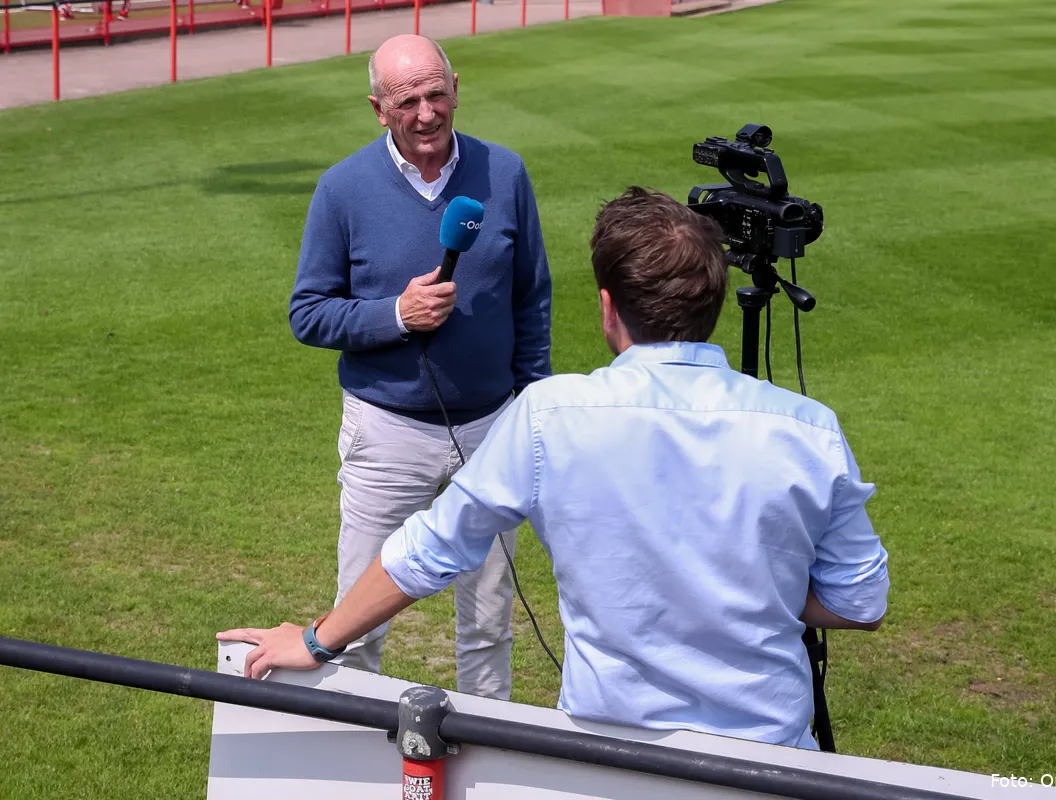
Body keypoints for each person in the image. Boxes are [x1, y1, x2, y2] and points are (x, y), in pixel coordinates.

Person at [222, 188, 888, 750]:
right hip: (771, 756)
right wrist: (751, 586)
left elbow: (429, 549)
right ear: (712, 304)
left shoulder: (551, 415)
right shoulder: (809, 427)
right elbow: (859, 602)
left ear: (607, 309)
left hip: (610, 756)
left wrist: (317, 641)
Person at [284, 34, 553, 700]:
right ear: (379, 109)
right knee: (356, 622)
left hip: (492, 429)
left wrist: (531, 402)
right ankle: (349, 743)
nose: (427, 113)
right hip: (387, 435)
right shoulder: (342, 189)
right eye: (408, 102)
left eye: (437, 94)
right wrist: (396, 315)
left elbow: (531, 297)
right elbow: (309, 313)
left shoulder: (504, 173)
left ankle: (484, 742)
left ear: (457, 89)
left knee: (488, 620)